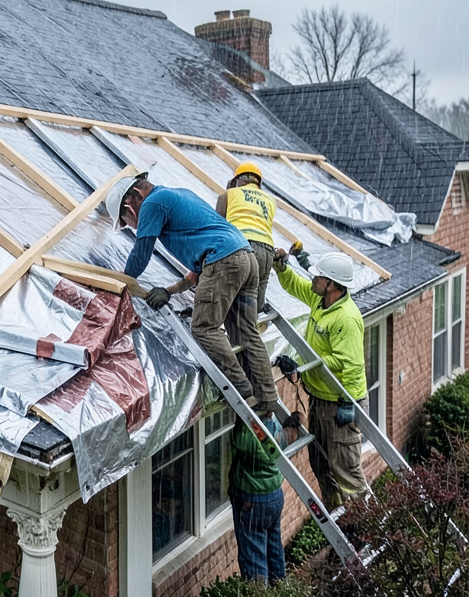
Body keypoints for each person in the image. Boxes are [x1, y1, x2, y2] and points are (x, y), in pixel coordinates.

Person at [105, 168, 278, 414]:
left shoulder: (153, 202)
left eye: (125, 220)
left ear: (133, 199)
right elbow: (198, 273)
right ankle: (267, 396)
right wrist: (169, 290)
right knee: (245, 331)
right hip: (246, 258)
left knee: (204, 328)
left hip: (224, 261)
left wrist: (120, 284)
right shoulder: (179, 197)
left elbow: (141, 254)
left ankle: (240, 387)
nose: (130, 226)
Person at [273, 250, 369, 509]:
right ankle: (342, 521)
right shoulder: (320, 301)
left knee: (346, 471)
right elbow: (296, 285)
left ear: (332, 284)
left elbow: (349, 364)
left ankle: (367, 527)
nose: (313, 278)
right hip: (321, 399)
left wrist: (347, 402)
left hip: (341, 403)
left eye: (319, 276)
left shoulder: (346, 318)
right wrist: (281, 268)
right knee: (321, 463)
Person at [229, 413, 301, 584]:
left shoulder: (252, 438)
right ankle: (280, 590)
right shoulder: (276, 427)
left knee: (254, 563)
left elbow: (239, 438)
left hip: (252, 501)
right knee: (274, 552)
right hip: (273, 497)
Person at [217, 161, 276, 313]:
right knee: (254, 305)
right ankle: (251, 330)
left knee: (228, 294)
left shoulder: (229, 194)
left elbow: (218, 226)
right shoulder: (270, 200)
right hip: (267, 250)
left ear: (238, 180)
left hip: (241, 244)